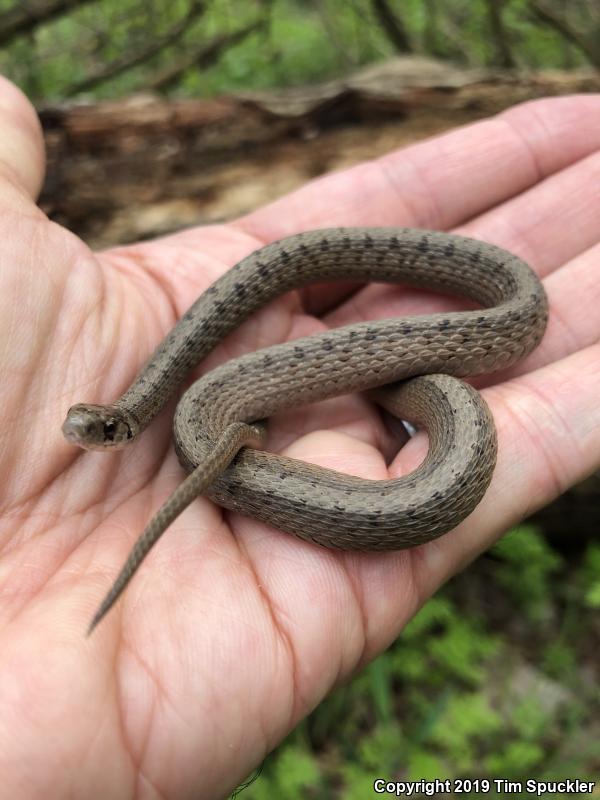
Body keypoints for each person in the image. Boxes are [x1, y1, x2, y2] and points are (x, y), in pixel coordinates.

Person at [0, 76, 598, 798]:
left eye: (97, 427)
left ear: (118, 423)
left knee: (429, 386)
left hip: (448, 339)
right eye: (91, 429)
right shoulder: (193, 413)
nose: (85, 434)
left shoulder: (169, 411)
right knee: (240, 416)